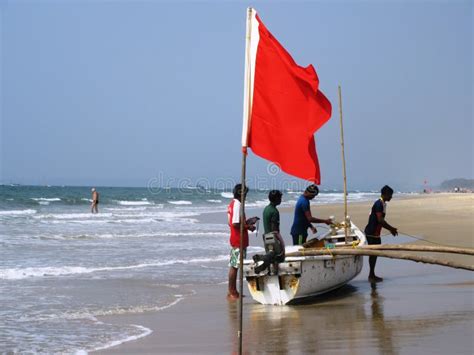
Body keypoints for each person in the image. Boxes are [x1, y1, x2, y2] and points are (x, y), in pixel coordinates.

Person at [227, 184, 258, 300]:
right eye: (245, 194)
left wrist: (248, 222)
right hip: (238, 239)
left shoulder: (232, 204)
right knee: (235, 266)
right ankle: (232, 292)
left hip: (237, 238)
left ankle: (232, 291)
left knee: (235, 265)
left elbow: (233, 222)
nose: (246, 197)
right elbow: (235, 224)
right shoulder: (238, 205)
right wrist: (248, 227)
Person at [364, 185, 398, 283]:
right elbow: (380, 220)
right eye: (390, 195)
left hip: (375, 233)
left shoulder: (383, 204)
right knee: (373, 254)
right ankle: (371, 275)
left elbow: (381, 221)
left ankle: (372, 274)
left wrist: (390, 229)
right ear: (385, 194)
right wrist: (391, 229)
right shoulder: (379, 204)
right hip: (371, 232)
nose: (391, 197)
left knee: (375, 253)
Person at [253, 190, 285, 274]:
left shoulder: (266, 209)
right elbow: (275, 229)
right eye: (280, 198)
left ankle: (269, 272)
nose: (281, 199)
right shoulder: (274, 211)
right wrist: (281, 242)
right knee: (278, 257)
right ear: (277, 199)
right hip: (273, 237)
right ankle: (263, 260)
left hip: (266, 236)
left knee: (271, 256)